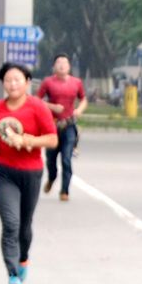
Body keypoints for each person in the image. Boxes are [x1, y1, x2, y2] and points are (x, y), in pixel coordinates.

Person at [0, 62, 58, 284]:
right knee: (10, 224)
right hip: (4, 172)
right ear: (3, 83)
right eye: (8, 80)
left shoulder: (38, 107)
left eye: (17, 79)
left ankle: (23, 258)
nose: (12, 84)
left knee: (24, 225)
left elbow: (52, 139)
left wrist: (27, 141)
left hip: (31, 172)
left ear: (27, 82)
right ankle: (13, 275)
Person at [36, 53, 88, 201]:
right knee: (51, 160)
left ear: (69, 66)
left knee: (66, 159)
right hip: (52, 126)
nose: (62, 65)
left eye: (64, 62)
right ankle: (51, 178)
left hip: (69, 125)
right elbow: (36, 100)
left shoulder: (76, 82)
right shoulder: (47, 82)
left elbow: (83, 99)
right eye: (59, 62)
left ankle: (65, 191)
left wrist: (79, 110)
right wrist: (52, 106)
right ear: (54, 66)